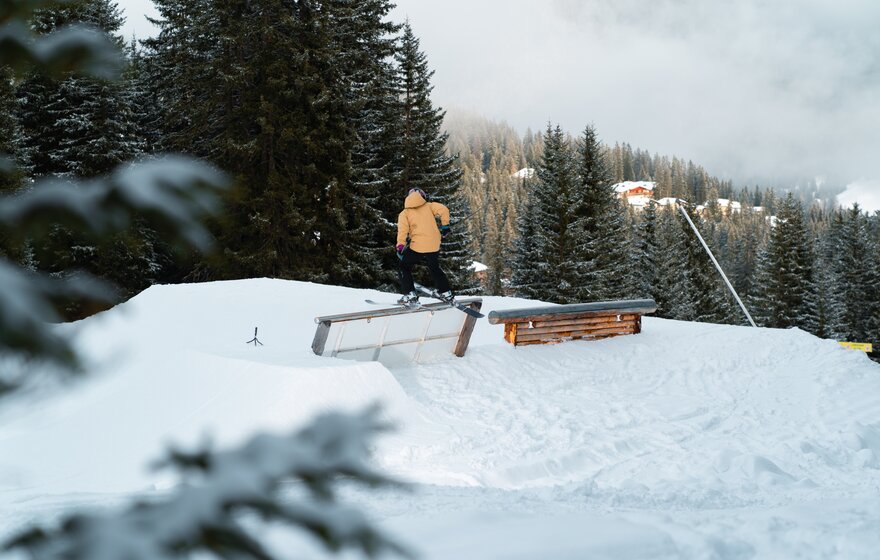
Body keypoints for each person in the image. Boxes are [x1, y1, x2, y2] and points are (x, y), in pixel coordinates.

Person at [396, 187, 453, 304]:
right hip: (434, 244)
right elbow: (444, 209)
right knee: (434, 267)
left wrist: (400, 245)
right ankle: (446, 292)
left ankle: (410, 295)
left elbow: (402, 230)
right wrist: (445, 226)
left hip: (418, 245)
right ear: (422, 197)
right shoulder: (429, 206)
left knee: (404, 266)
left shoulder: (405, 213)